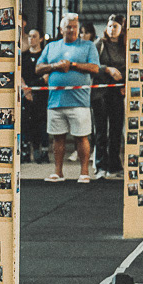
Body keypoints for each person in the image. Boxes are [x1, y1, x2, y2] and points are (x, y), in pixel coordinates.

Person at [35, 13, 100, 183]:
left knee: (81, 136)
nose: (72, 30)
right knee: (58, 137)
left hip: (79, 101)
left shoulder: (88, 46)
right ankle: (58, 172)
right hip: (55, 100)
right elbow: (38, 68)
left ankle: (84, 172)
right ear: (61, 29)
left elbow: (95, 68)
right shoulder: (51, 47)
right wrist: (54, 66)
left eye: (75, 27)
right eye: (68, 27)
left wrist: (72, 65)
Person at [92, 14, 126, 178]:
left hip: (117, 92)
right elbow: (92, 65)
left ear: (122, 29)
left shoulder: (124, 46)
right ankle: (100, 165)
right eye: (110, 26)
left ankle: (114, 165)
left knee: (116, 129)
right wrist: (107, 69)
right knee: (101, 130)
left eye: (116, 26)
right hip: (100, 92)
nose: (112, 29)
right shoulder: (99, 44)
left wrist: (125, 83)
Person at [20, 28, 47, 162]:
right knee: (25, 122)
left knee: (40, 122)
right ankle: (25, 151)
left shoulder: (44, 56)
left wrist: (33, 88)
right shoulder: (23, 56)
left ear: (41, 39)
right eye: (29, 36)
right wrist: (26, 89)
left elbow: (47, 76)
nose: (31, 39)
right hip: (26, 93)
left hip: (41, 94)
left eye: (35, 36)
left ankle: (39, 150)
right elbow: (19, 75)